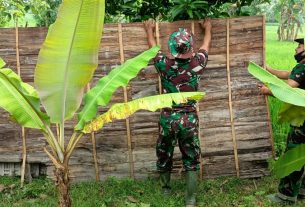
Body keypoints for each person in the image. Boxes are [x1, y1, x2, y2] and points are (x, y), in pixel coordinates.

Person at [143, 19, 212, 207]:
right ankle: (190, 199)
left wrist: (149, 30)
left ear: (172, 47)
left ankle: (165, 189)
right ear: (190, 47)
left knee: (164, 152)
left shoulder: (164, 65)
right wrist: (208, 29)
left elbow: (153, 48)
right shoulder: (198, 63)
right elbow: (206, 45)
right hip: (189, 119)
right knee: (191, 157)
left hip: (168, 118)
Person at [258, 38, 305, 204]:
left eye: (300, 46)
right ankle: (302, 190)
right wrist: (267, 69)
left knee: (294, 154)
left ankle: (286, 196)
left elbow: (288, 88)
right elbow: (286, 74)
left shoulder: (303, 67)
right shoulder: (300, 68)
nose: (296, 49)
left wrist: (267, 90)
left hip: (302, 122)